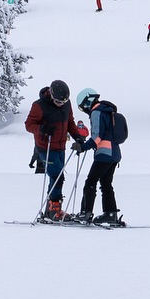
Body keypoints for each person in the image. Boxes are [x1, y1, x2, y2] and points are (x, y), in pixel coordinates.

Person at [24, 79, 87, 220]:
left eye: (64, 102)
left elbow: (69, 121)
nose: (61, 104)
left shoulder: (66, 104)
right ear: (51, 95)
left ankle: (50, 210)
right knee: (57, 176)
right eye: (59, 102)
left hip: (60, 146)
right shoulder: (39, 106)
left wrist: (77, 136)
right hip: (45, 146)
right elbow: (28, 125)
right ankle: (54, 210)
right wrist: (42, 129)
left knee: (56, 177)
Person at [76, 87, 125, 224]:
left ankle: (86, 213)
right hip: (114, 154)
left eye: (83, 107)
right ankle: (110, 214)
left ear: (87, 102)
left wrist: (83, 147)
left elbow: (97, 136)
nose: (84, 110)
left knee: (90, 182)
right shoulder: (107, 111)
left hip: (104, 153)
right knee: (106, 184)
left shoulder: (97, 112)